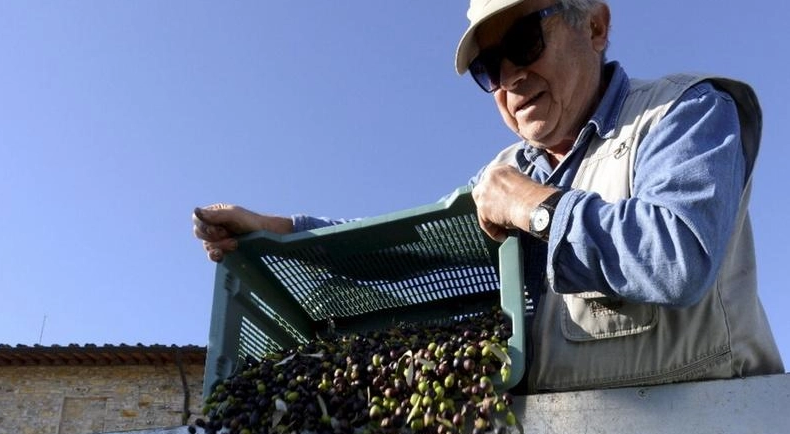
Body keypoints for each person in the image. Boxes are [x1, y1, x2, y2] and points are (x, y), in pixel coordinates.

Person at [193, 0, 784, 393]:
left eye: (525, 41)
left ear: (596, 26)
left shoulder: (681, 113)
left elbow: (677, 258)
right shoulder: (505, 173)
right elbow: (414, 244)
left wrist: (536, 207)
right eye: (488, 68)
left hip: (715, 417)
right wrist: (281, 231)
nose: (510, 77)